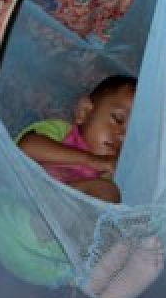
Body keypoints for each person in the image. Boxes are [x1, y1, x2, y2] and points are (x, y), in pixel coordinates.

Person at [16, 74, 137, 204]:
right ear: (84, 111)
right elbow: (27, 146)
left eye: (131, 136)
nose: (122, 136)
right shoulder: (61, 131)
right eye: (118, 119)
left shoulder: (106, 175)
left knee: (108, 191)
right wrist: (92, 161)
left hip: (54, 217)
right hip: (21, 202)